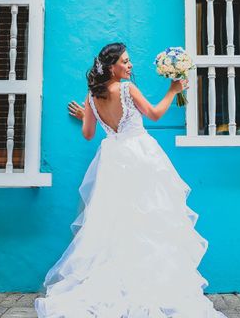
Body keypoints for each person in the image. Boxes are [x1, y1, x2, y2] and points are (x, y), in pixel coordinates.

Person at [35, 42, 227, 317]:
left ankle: (116, 283)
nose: (130, 65)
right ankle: (150, 283)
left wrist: (86, 114)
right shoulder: (126, 89)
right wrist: (173, 91)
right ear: (111, 67)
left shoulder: (92, 96)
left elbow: (89, 135)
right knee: (150, 219)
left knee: (114, 223)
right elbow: (155, 114)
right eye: (125, 61)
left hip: (112, 160)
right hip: (140, 156)